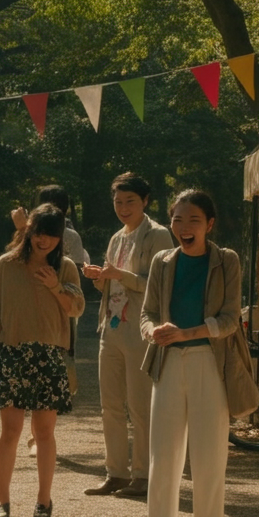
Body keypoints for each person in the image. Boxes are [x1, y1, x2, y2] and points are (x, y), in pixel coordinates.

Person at [139, 189, 240, 517]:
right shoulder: (163, 261)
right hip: (167, 361)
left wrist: (189, 333)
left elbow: (231, 319)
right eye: (177, 220)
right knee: (162, 459)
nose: (184, 228)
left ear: (209, 224)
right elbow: (147, 314)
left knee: (208, 459)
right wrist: (153, 332)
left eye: (193, 220)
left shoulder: (226, 260)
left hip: (208, 363)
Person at [0, 204, 84, 517]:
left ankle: (44, 500)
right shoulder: (6, 264)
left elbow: (76, 309)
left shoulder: (65, 267)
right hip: (11, 353)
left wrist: (55, 287)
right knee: (10, 431)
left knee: (44, 433)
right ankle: (2, 499)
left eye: (52, 236)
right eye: (39, 234)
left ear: (60, 238)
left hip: (49, 355)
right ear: (29, 231)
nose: (44, 241)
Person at [82, 173, 173, 497]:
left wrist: (118, 274)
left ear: (145, 201)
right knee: (110, 406)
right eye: (118, 201)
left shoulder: (159, 235)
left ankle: (144, 476)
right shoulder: (117, 238)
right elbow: (111, 283)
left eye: (130, 201)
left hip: (141, 330)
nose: (123, 207)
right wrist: (99, 277)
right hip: (111, 327)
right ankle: (116, 473)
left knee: (139, 405)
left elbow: (160, 283)